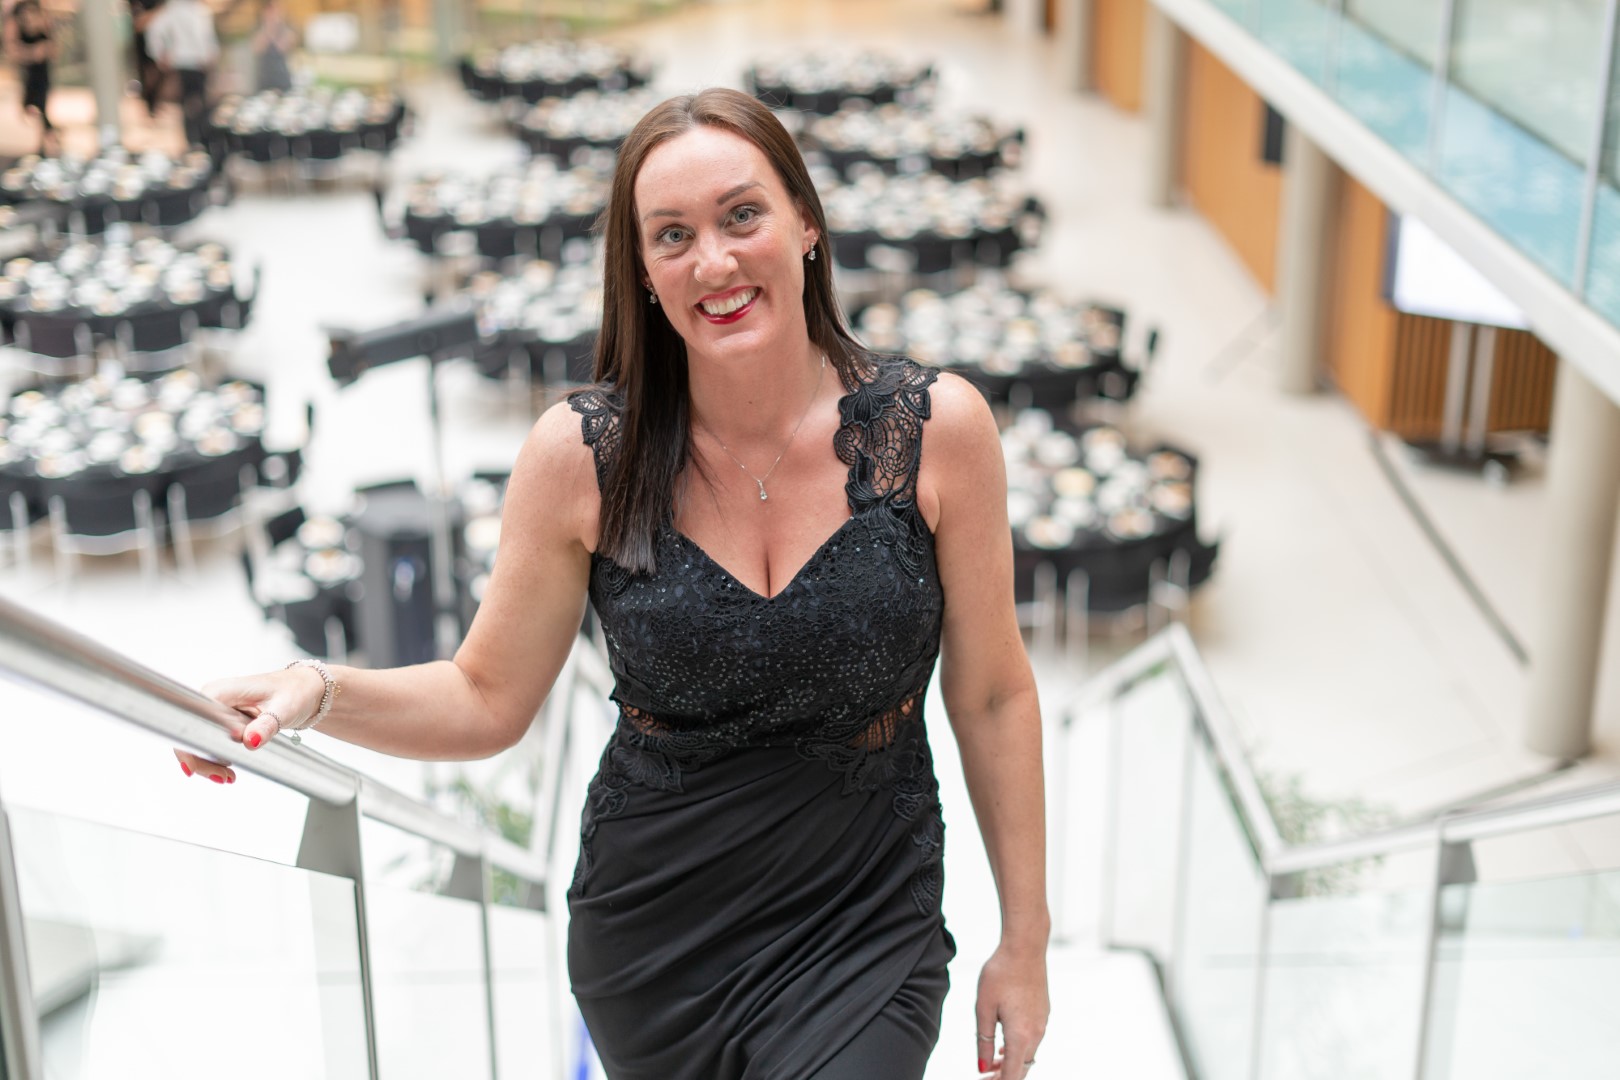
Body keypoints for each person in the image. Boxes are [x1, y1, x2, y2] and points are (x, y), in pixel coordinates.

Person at [180, 87, 1050, 1080]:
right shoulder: (580, 455)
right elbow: (484, 696)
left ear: (806, 222)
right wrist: (317, 691)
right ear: (640, 271)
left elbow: (992, 693)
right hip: (658, 937)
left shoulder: (939, 433)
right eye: (671, 235)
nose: (713, 262)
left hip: (863, 919)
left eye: (741, 215)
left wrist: (1025, 942)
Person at [144, 0, 217, 147]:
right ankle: (193, 141)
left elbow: (207, 37)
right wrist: (160, 55)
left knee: (200, 104)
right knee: (190, 104)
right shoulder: (173, 9)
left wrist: (211, 55)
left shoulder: (199, 10)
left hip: (199, 64)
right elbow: (155, 31)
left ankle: (201, 140)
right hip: (185, 64)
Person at [5, 0, 57, 155]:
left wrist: (42, 51)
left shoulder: (42, 11)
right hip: (27, 73)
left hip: (42, 72)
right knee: (30, 108)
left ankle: (46, 142)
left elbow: (52, 46)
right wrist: (32, 53)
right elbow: (11, 47)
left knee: (40, 107)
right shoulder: (15, 13)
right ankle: (50, 137)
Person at [129, 0, 167, 119]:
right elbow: (137, 23)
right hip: (143, 44)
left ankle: (154, 106)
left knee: (159, 75)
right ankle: (150, 108)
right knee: (148, 77)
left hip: (159, 43)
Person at [252, 0, 294, 93]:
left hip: (282, 79)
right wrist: (268, 27)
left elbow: (282, 47)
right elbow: (257, 48)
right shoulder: (259, 30)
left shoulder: (286, 30)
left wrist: (276, 27)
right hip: (265, 79)